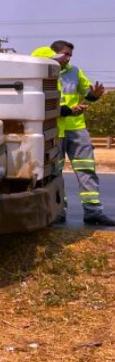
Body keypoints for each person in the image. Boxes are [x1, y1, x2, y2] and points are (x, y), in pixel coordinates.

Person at [48, 40, 114, 226]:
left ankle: (93, 212)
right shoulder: (44, 71)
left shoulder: (75, 72)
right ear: (53, 54)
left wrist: (95, 95)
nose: (68, 58)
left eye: (70, 55)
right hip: (55, 130)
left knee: (87, 169)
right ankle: (58, 211)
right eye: (65, 54)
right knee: (55, 173)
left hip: (77, 128)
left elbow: (87, 94)